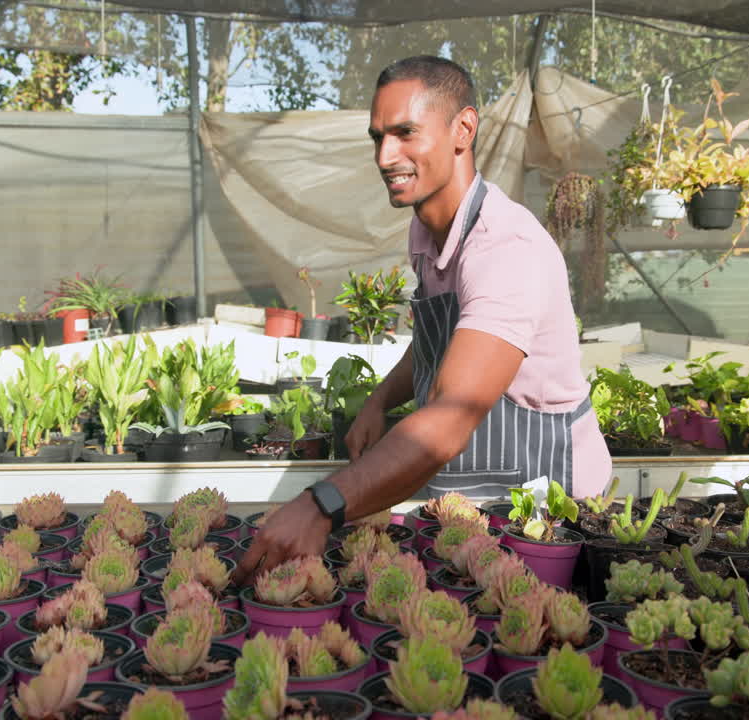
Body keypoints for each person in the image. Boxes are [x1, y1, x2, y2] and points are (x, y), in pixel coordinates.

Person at [233, 55, 610, 583]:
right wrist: (381, 399)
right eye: (378, 137)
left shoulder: (505, 249)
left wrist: (321, 505)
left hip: (543, 507)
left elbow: (451, 418)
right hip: (471, 499)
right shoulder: (429, 232)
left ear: (464, 129)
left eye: (406, 133)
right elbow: (444, 338)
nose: (386, 156)